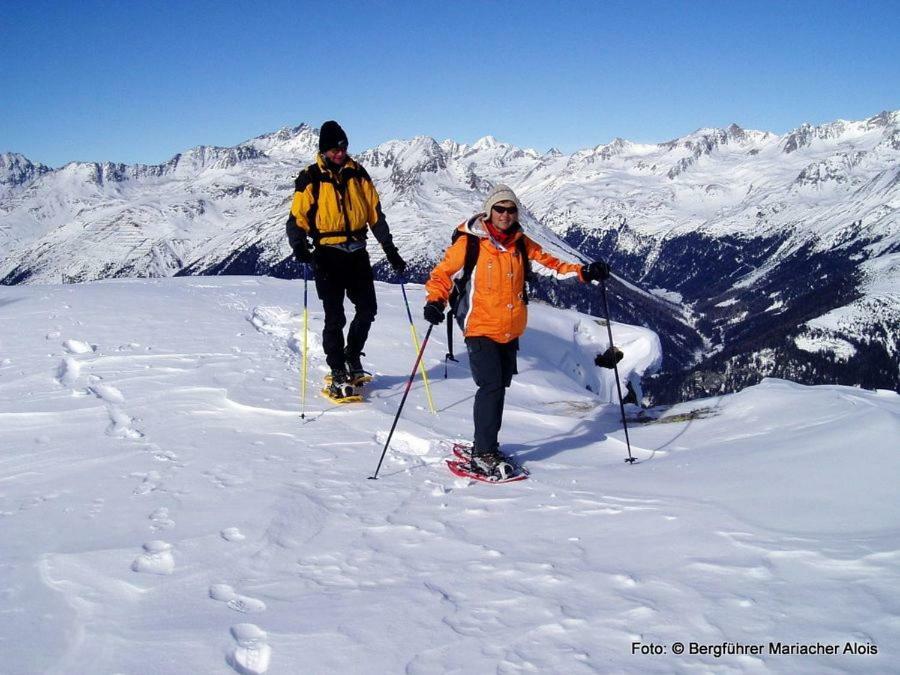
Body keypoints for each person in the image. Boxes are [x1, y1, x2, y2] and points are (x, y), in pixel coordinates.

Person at [423, 184, 611, 477]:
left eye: (511, 210)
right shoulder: (470, 244)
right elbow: (442, 274)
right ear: (489, 211)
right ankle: (483, 452)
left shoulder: (521, 243)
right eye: (500, 209)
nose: (505, 215)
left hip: (510, 329)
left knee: (499, 386)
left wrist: (583, 272)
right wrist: (435, 300)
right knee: (491, 386)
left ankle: (485, 445)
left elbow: (551, 265)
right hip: (479, 326)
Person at [286, 120, 406, 398]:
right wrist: (299, 246)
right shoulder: (311, 177)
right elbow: (297, 218)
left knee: (367, 309)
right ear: (324, 150)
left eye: (343, 147)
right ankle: (337, 367)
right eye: (335, 148)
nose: (340, 152)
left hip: (357, 252)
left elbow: (375, 215)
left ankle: (352, 355)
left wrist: (391, 251)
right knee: (335, 316)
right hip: (327, 254)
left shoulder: (359, 174)